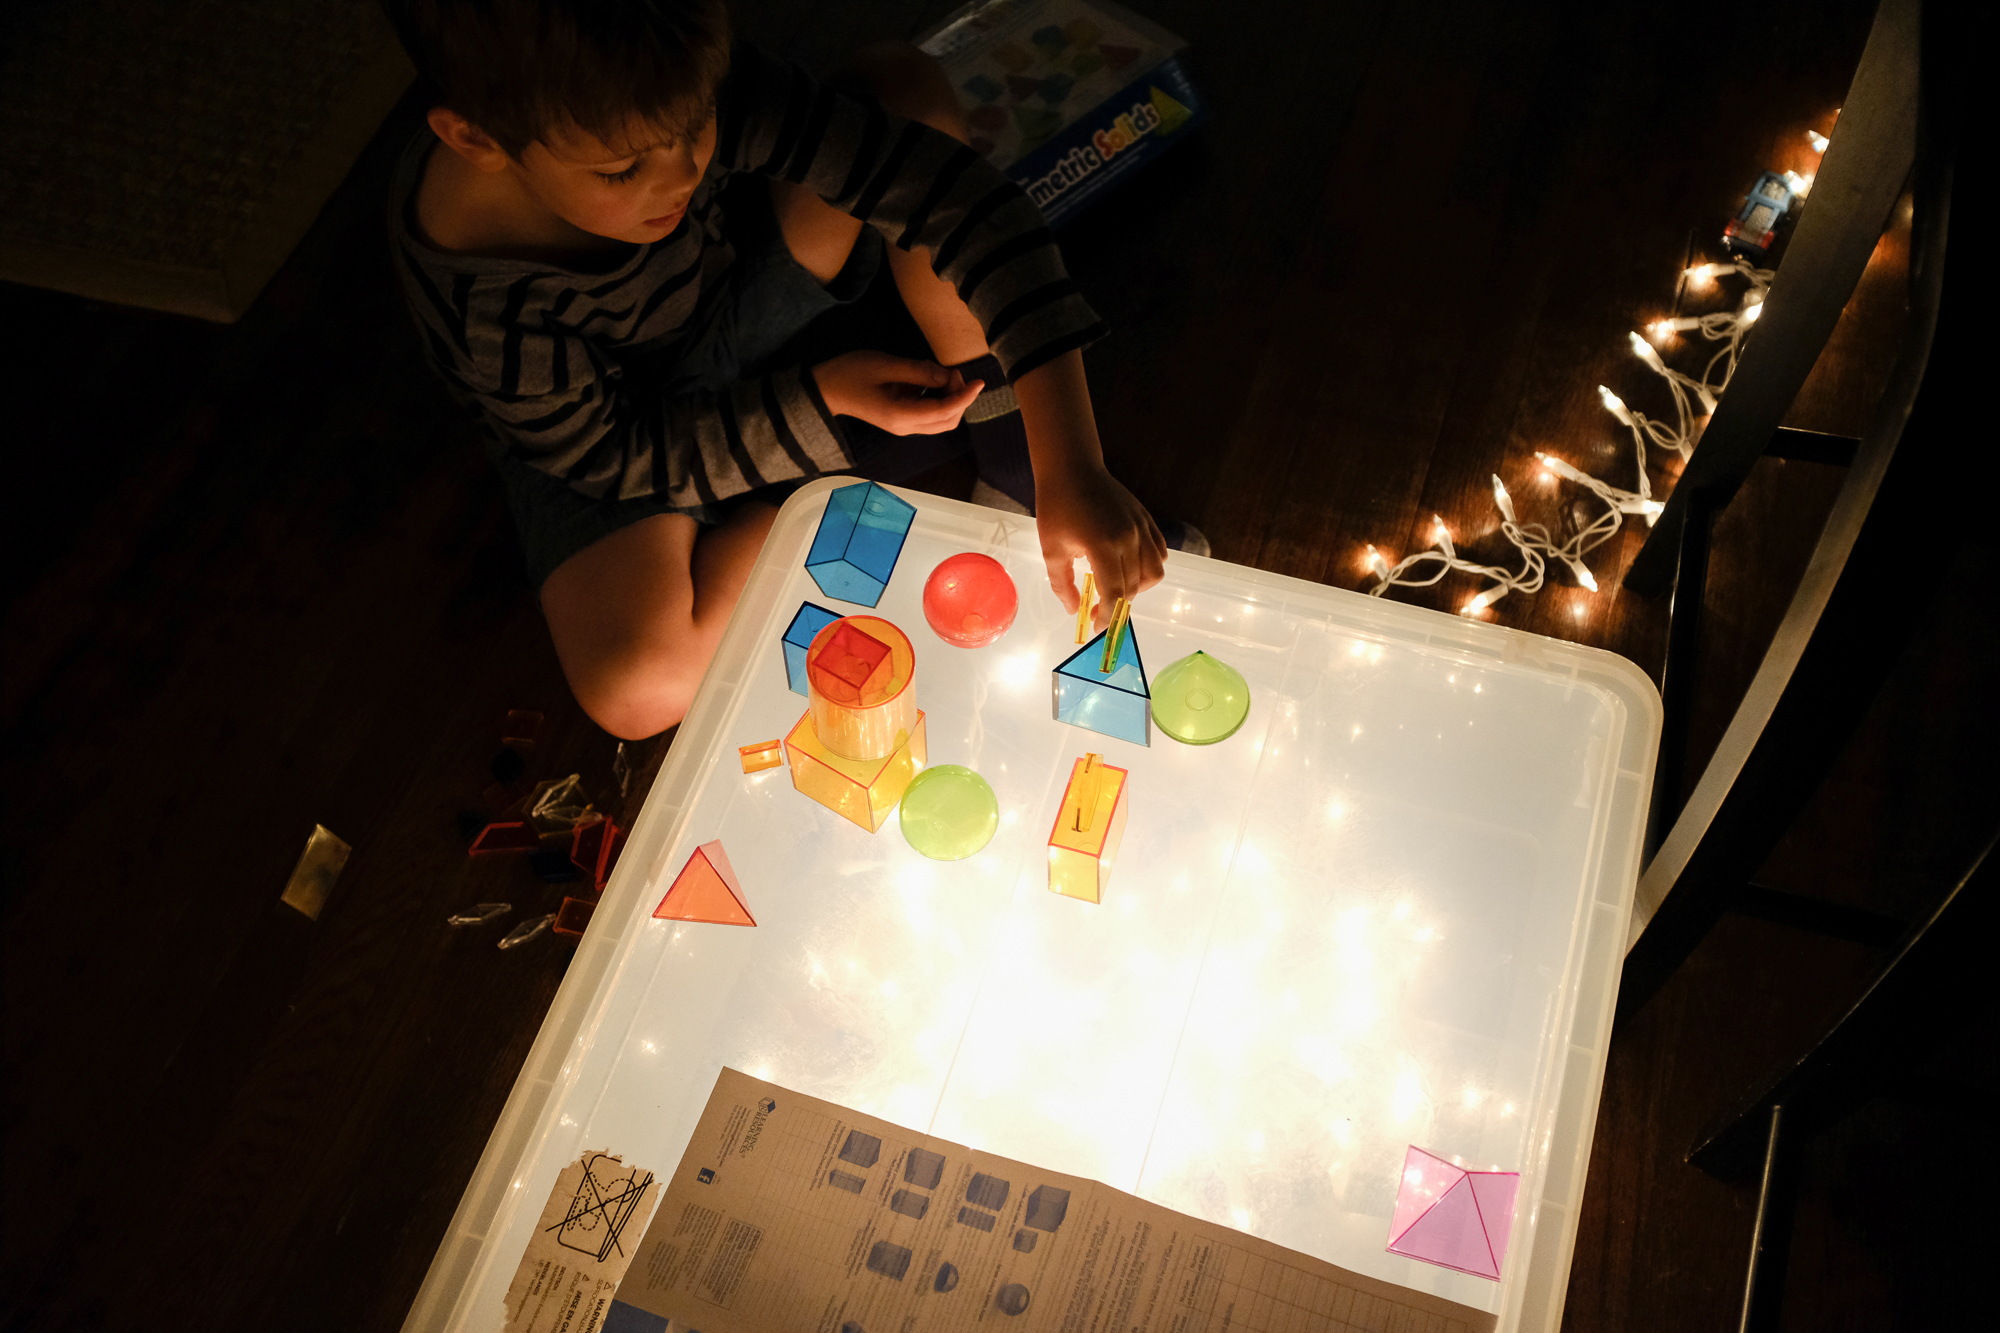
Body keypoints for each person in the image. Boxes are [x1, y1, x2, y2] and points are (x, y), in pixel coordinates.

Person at [383, 0, 1174, 739]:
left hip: (743, 293)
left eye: (697, 130)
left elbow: (961, 203)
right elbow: (615, 455)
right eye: (621, 172)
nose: (680, 175)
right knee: (637, 686)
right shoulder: (483, 309)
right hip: (619, 428)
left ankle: (1009, 460)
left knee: (905, 88)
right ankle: (815, 470)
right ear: (476, 138)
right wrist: (815, 398)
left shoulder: (663, 82)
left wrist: (1067, 461)